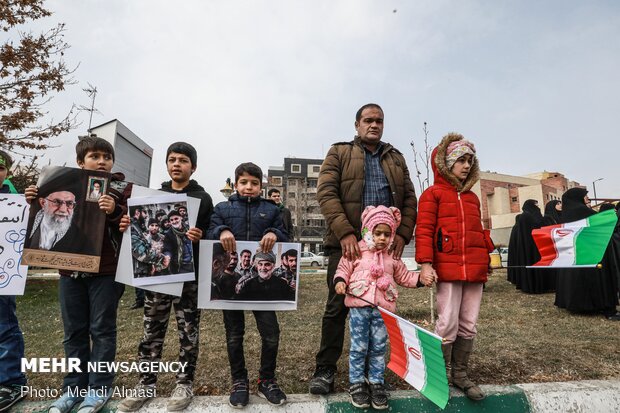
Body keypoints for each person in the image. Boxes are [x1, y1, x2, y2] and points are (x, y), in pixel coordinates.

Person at [310, 103, 418, 394]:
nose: (374, 125)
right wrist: (345, 232)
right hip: (347, 246)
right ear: (357, 124)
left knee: (380, 309)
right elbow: (326, 192)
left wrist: (403, 235)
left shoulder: (395, 158)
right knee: (336, 307)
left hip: (383, 247)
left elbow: (409, 199)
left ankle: (373, 375)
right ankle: (325, 371)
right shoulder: (339, 152)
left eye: (379, 121)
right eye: (368, 120)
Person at [25, 136, 131, 413]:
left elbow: (133, 224)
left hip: (106, 273)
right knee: (74, 333)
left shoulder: (122, 189)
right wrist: (33, 199)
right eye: (95, 156)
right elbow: (44, 214)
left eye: (106, 157)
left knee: (103, 331)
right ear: (80, 162)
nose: (102, 161)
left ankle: (99, 389)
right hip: (70, 271)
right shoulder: (61, 185)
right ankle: (73, 390)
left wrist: (115, 212)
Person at [118, 142, 213, 413]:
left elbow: (211, 234)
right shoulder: (152, 196)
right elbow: (137, 232)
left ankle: (184, 383)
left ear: (192, 166)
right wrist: (126, 225)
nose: (176, 164)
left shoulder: (203, 199)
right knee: (151, 331)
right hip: (156, 279)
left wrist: (201, 235)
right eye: (172, 159)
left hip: (189, 279)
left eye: (183, 160)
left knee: (188, 332)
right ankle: (145, 384)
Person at [415, 133, 494, 401]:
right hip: (448, 269)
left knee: (469, 323)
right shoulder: (432, 194)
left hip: (474, 270)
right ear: (446, 164)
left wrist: (486, 256)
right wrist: (426, 264)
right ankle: (438, 375)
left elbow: (478, 231)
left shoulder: (472, 198)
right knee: (447, 321)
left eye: (470, 160)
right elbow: (424, 231)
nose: (467, 165)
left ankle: (460, 375)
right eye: (461, 160)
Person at [334, 206, 433, 409]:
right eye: (377, 233)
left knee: (378, 347)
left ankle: (376, 382)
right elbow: (343, 268)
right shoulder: (356, 251)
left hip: (383, 311)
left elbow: (405, 277)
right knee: (359, 347)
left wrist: (421, 279)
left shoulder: (392, 258)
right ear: (367, 231)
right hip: (359, 308)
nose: (382, 238)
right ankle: (357, 383)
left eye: (387, 234)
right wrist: (339, 281)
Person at [207, 162, 288, 408]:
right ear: (236, 184)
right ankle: (239, 381)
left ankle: (266, 380)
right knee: (234, 335)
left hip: (261, 289)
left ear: (261, 186)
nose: (249, 187)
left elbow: (286, 236)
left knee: (271, 334)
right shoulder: (222, 208)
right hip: (232, 289)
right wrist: (221, 231)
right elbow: (209, 233)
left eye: (254, 183)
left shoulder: (272, 210)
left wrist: (274, 232)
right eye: (244, 182)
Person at [554, 188, 619, 320]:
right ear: (577, 197)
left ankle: (579, 304)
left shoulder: (567, 213)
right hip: (593, 251)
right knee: (598, 280)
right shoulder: (582, 211)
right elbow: (600, 224)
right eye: (585, 196)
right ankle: (603, 306)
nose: (587, 198)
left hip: (577, 253)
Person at [0, 150, 27, 413]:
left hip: (3, 277)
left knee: (5, 327)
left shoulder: (16, 202)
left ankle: (12, 382)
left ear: (7, 171)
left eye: (0, 167)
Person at [510, 200, 555, 294]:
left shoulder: (525, 216)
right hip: (535, 245)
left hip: (530, 247)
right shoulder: (529, 216)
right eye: (536, 205)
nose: (538, 207)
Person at [162, 210, 194, 274]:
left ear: (181, 218)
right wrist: (167, 256)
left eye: (176, 218)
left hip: (193, 263)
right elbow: (167, 249)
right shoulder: (169, 234)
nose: (174, 221)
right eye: (172, 220)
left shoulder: (189, 228)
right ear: (170, 222)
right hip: (182, 266)